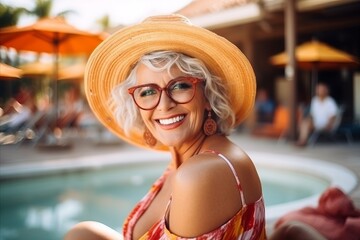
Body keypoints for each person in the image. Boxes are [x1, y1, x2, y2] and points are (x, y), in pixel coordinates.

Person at [64, 14, 265, 240]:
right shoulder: (183, 161)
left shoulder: (203, 172)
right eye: (148, 92)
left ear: (207, 95)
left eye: (179, 86)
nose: (164, 105)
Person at [295, 82, 338, 147]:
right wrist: (307, 120)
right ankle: (303, 141)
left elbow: (333, 115)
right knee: (305, 122)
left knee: (305, 122)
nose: (319, 91)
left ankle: (303, 141)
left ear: (326, 91)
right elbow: (312, 114)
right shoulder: (314, 100)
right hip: (315, 123)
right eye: (318, 89)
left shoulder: (330, 101)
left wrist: (329, 124)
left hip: (325, 124)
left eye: (321, 89)